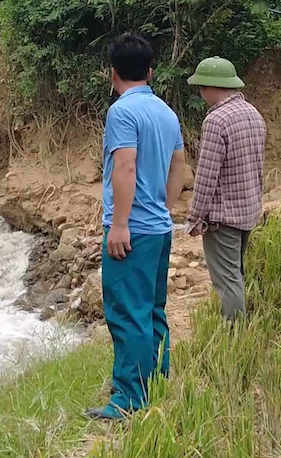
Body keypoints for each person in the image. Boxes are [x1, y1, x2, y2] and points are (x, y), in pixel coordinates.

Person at [86, 34, 188, 422]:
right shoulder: (165, 111)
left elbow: (124, 167)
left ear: (113, 74)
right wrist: (165, 204)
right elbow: (179, 163)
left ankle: (129, 397)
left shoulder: (122, 113)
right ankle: (156, 381)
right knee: (153, 311)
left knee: (126, 313)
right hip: (160, 229)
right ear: (150, 71)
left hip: (133, 231)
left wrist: (121, 225)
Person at [185, 57, 266, 321]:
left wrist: (195, 217)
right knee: (237, 273)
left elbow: (206, 176)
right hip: (247, 211)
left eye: (201, 87)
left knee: (228, 280)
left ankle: (235, 336)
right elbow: (258, 166)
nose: (200, 93)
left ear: (210, 86)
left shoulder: (216, 121)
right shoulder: (253, 114)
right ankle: (238, 326)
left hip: (223, 217)